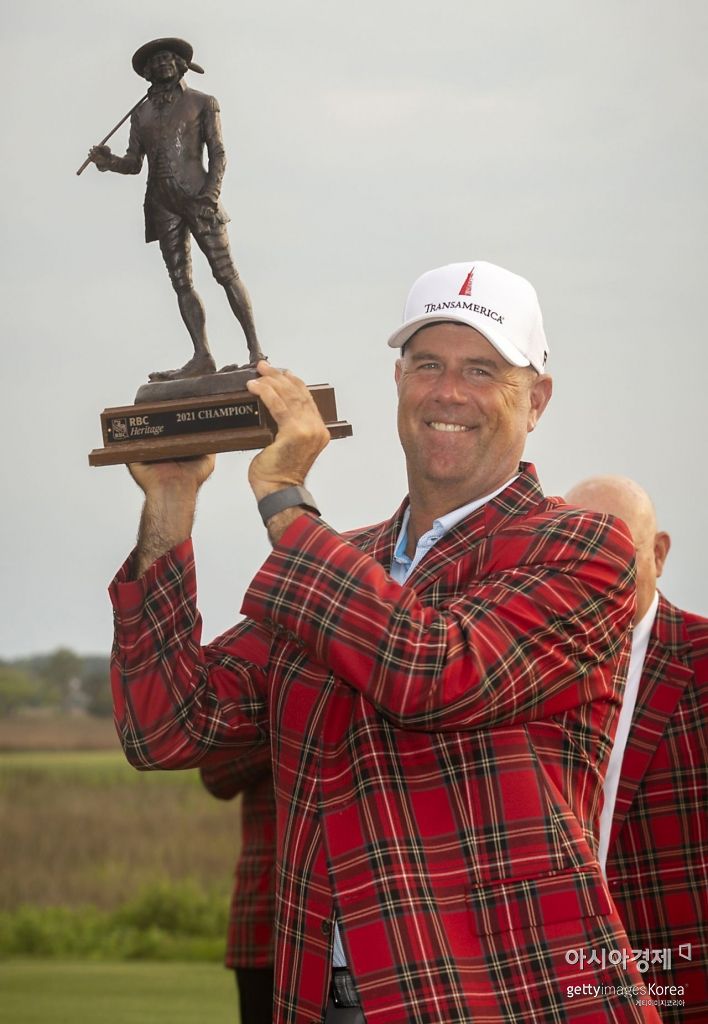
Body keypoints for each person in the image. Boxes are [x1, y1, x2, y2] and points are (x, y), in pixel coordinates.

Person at [110, 260, 661, 1023]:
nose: (449, 391)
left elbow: (432, 673)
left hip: (511, 998)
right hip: (327, 997)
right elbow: (167, 725)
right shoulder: (342, 567)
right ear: (399, 381)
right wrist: (169, 508)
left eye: (482, 370)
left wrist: (286, 499)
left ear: (536, 400)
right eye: (428, 364)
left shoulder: (584, 548)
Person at [565, 476, 707, 1023]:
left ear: (659, 554)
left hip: (682, 967)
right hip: (566, 974)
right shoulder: (530, 670)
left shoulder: (702, 660)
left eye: (618, 552)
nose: (597, 571)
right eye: (578, 554)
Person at [88, 37, 263, 381]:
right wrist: (108, 163)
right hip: (162, 203)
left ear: (181, 64)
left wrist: (212, 193)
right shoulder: (141, 114)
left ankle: (256, 351)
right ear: (147, 72)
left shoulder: (203, 102)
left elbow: (218, 153)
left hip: (199, 198)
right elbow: (134, 163)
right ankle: (202, 356)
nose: (162, 63)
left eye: (167, 57)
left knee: (225, 272)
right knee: (181, 281)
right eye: (155, 61)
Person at [199, 751, 276, 1024]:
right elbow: (215, 776)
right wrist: (285, 737)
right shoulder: (264, 722)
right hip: (265, 904)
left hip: (345, 904)